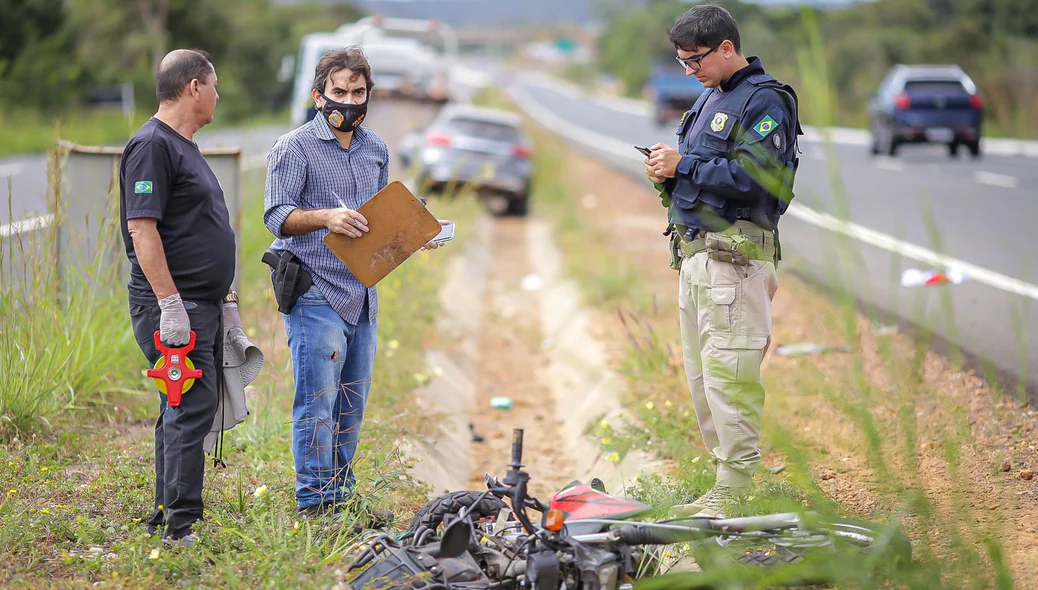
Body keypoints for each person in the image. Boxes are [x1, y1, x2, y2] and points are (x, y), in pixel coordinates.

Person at [262, 46, 447, 525]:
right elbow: (276, 216)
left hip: (362, 293)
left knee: (351, 403)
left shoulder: (376, 150)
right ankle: (314, 502)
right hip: (314, 290)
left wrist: (413, 235)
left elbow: (379, 223)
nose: (348, 100)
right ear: (319, 94)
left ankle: (343, 495)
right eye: (339, 92)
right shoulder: (294, 147)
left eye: (358, 92)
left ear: (369, 94)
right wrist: (328, 218)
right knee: (317, 402)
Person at [645, 5, 802, 519]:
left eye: (695, 60)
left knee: (730, 377)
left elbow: (759, 179)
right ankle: (725, 481)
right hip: (695, 259)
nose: (689, 70)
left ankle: (735, 489)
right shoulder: (710, 98)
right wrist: (667, 176)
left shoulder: (765, 102)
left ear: (727, 48)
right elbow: (705, 177)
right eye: (682, 61)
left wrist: (684, 163)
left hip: (733, 262)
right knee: (703, 381)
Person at [119, 48, 238, 546]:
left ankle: (169, 511)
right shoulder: (152, 145)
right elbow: (142, 229)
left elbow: (189, 226)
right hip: (174, 306)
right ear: (193, 88)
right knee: (189, 406)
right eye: (213, 86)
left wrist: (221, 287)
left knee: (187, 405)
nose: (217, 96)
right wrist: (170, 303)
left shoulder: (184, 145)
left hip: (200, 303)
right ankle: (179, 526)